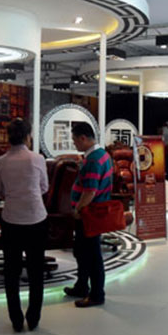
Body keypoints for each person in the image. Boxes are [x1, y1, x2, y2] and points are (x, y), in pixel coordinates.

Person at [0, 118, 49, 332]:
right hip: (36, 219)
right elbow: (44, 187)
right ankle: (33, 318)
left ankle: (16, 320)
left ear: (9, 137)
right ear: (28, 137)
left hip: (11, 221)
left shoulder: (1, 161)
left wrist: (11, 194)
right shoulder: (37, 159)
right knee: (36, 271)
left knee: (12, 272)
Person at [65, 122, 113, 307]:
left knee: (92, 255)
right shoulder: (102, 155)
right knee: (83, 252)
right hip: (94, 212)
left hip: (89, 214)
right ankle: (81, 286)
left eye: (75, 140)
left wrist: (78, 209)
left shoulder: (93, 160)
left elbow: (90, 191)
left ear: (83, 138)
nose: (74, 143)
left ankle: (96, 294)